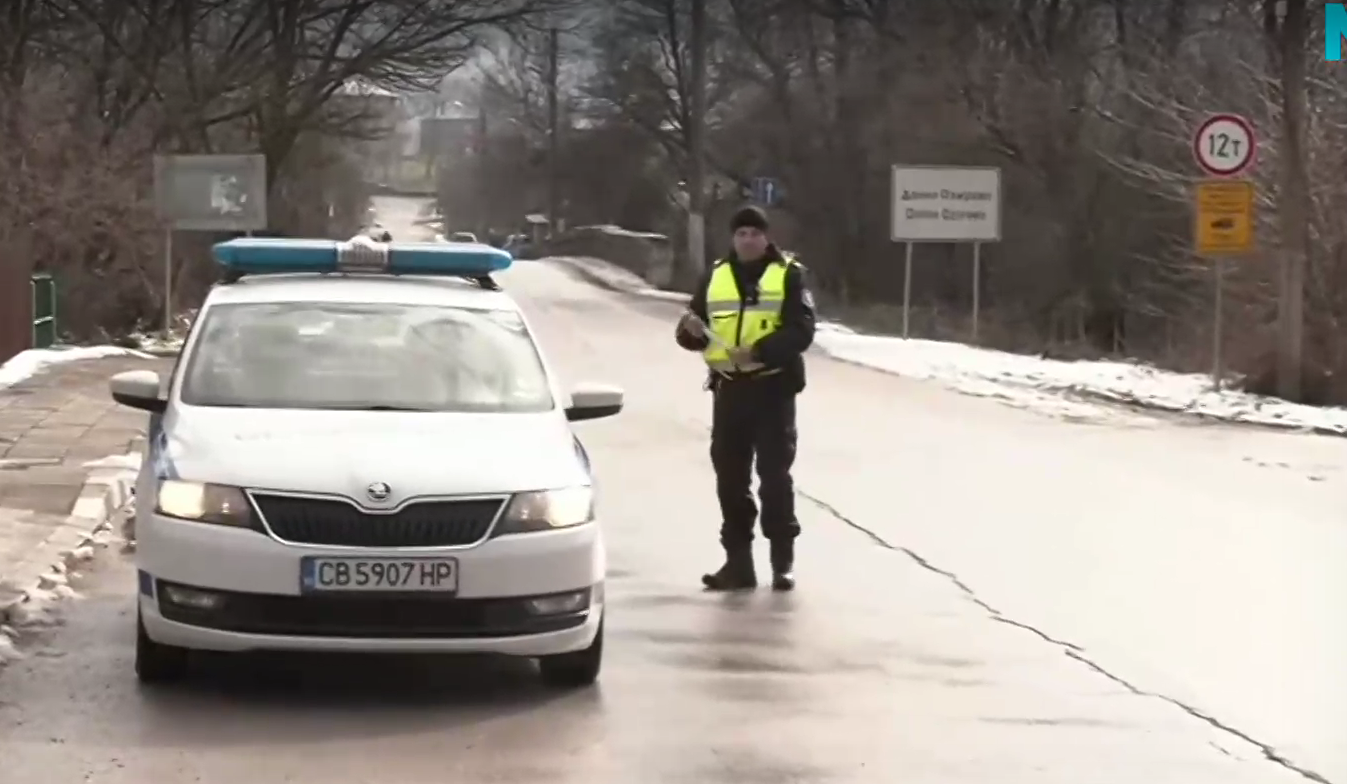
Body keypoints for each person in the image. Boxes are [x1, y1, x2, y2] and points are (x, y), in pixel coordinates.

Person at [675, 205, 816, 591]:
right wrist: (690, 331)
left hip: (773, 388)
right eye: (741, 234)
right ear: (733, 238)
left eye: (755, 233)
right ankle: (738, 564)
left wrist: (758, 352)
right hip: (730, 390)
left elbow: (802, 331)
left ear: (766, 237)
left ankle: (782, 563)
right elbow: (692, 330)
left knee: (774, 477)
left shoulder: (789, 275)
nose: (748, 239)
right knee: (730, 479)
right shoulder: (716, 276)